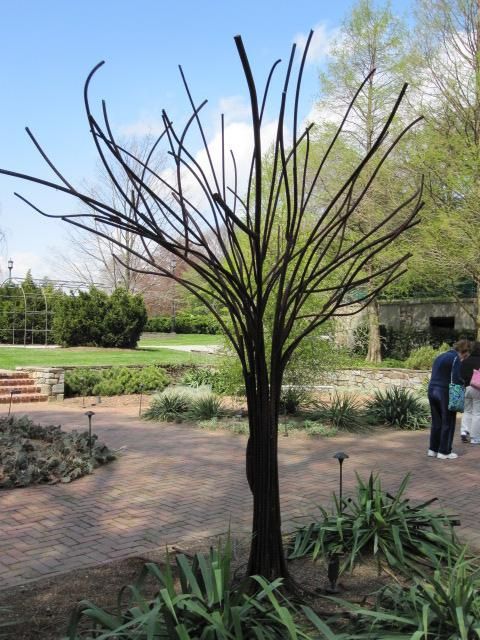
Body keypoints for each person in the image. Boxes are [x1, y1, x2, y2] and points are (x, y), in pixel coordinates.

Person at [427, 339, 471, 459]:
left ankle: (433, 449)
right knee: (449, 421)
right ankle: (444, 451)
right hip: (444, 392)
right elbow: (456, 378)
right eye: (466, 356)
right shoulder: (455, 358)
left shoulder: (441, 356)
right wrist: (464, 382)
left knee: (436, 422)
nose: (465, 358)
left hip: (431, 389)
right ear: (464, 351)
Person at [460, 341, 480, 445]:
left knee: (467, 411)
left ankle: (464, 431)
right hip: (477, 389)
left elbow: (460, 375)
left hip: (466, 388)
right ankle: (474, 437)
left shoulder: (465, 361)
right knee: (477, 413)